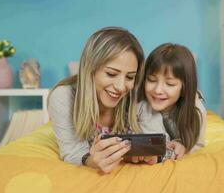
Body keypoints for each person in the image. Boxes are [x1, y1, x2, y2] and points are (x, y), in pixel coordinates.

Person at [48, 27, 160, 173]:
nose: (121, 87)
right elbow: (73, 152)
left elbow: (162, 143)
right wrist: (91, 161)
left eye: (130, 77)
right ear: (90, 69)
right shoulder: (63, 97)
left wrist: (153, 155)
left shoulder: (137, 96)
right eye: (111, 74)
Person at [139, 43, 207, 159]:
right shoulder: (142, 107)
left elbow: (198, 143)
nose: (158, 90)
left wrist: (185, 146)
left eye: (169, 84)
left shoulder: (196, 111)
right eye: (151, 80)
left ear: (184, 88)